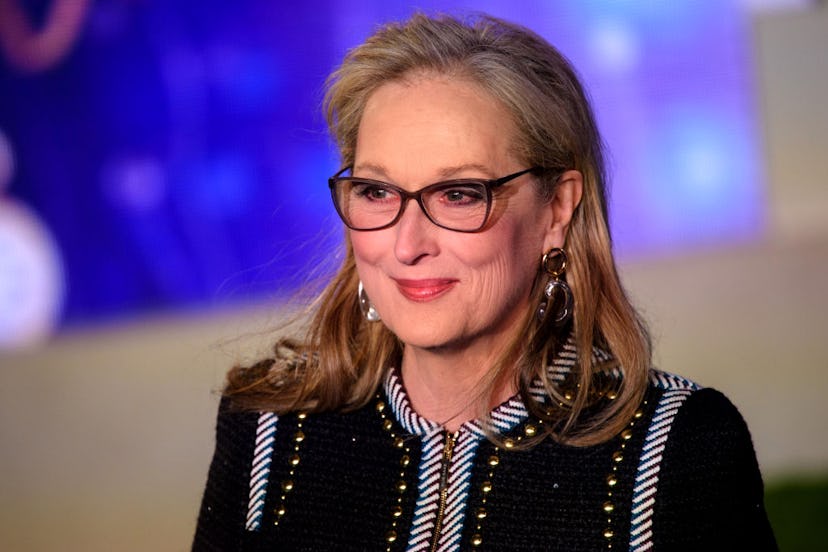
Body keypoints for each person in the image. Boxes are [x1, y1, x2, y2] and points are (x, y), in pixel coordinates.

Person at [193, 13, 777, 551]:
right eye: (377, 191)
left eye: (459, 194)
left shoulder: (680, 446)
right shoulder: (266, 428)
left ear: (557, 209)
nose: (406, 245)